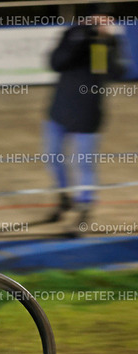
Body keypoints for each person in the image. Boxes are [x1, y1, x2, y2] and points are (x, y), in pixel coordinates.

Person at [45, 3, 125, 233]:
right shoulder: (72, 34)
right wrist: (78, 39)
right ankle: (63, 198)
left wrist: (103, 44)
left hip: (87, 114)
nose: (105, 22)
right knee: (53, 157)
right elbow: (56, 63)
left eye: (108, 19)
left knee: (84, 164)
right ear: (89, 18)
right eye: (101, 18)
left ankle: (84, 208)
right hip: (59, 110)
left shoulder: (109, 43)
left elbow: (111, 73)